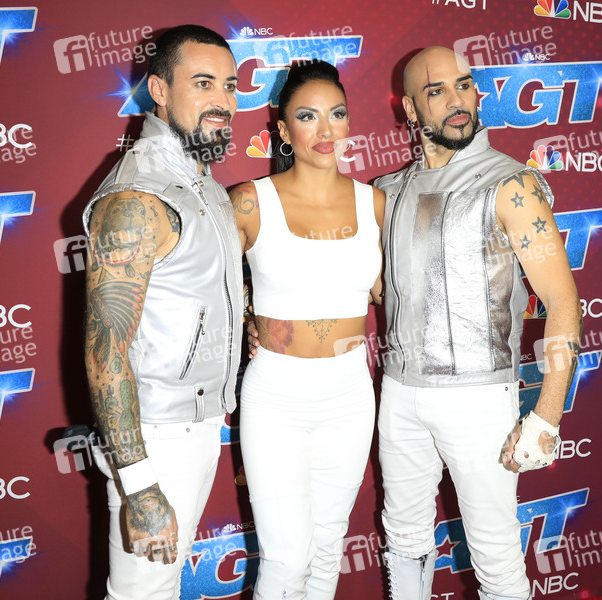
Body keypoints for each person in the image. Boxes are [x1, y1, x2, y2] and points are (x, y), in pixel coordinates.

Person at [374, 47, 582, 600]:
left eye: (463, 85)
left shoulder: (512, 185)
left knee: (495, 556)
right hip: (398, 394)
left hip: (480, 397)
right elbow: (373, 287)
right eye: (436, 90)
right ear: (410, 109)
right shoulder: (387, 192)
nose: (457, 100)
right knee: (403, 537)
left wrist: (547, 415)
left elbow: (562, 300)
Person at [82, 25, 243, 600]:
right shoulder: (137, 197)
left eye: (229, 85)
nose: (223, 101)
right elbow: (106, 351)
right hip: (155, 436)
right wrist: (140, 484)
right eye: (202, 84)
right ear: (159, 90)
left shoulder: (202, 183)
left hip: (198, 424)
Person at [229, 60, 385, 600]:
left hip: (349, 395)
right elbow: (207, 286)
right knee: (286, 557)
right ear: (283, 129)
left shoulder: (374, 203)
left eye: (336, 114)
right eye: (307, 116)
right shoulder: (249, 201)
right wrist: (244, 317)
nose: (325, 129)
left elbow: (390, 291)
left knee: (326, 546)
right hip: (277, 396)